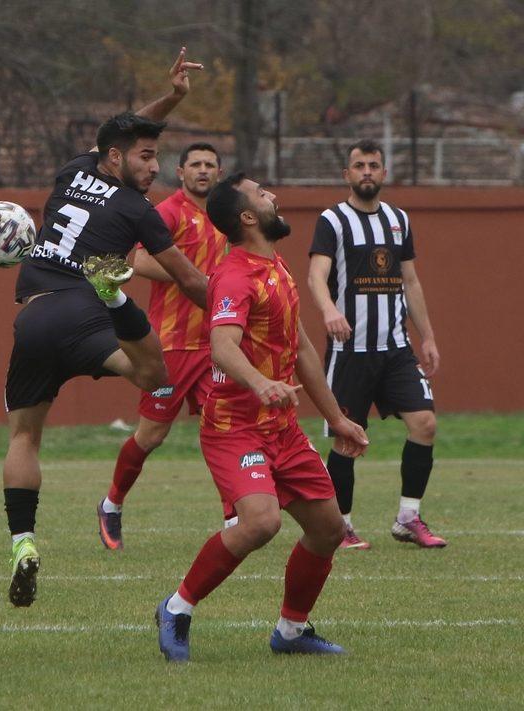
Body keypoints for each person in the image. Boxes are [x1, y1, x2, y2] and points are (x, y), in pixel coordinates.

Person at [3, 49, 210, 607]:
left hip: (35, 316)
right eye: (147, 158)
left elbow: (121, 132)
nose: (155, 166)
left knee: (24, 436)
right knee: (152, 375)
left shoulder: (74, 171)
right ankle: (114, 291)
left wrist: (171, 99)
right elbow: (189, 281)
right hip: (85, 315)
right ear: (117, 160)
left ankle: (22, 541)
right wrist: (237, 305)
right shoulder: (139, 209)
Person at [155, 173, 369, 662]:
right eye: (262, 194)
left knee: (328, 529)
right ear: (248, 217)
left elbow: (301, 348)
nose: (273, 196)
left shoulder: (275, 268)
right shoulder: (234, 276)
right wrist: (261, 383)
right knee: (261, 522)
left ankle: (291, 632)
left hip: (283, 429)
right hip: (235, 426)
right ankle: (176, 608)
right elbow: (222, 345)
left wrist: (335, 418)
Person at [307, 138, 446, 550]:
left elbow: (411, 281)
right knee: (348, 439)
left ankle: (408, 518)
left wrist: (429, 336)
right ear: (346, 174)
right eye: (359, 165)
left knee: (425, 424)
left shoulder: (398, 219)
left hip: (396, 350)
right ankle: (341, 526)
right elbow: (317, 276)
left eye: (373, 165)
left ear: (384, 173)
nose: (366, 171)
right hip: (351, 352)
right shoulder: (332, 220)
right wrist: (330, 310)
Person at [97, 142, 226, 550]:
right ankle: (112, 503)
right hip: (170, 344)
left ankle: (236, 514)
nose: (203, 171)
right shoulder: (168, 212)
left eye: (210, 165)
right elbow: (136, 261)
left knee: (226, 428)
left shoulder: (225, 215)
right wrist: (188, 275)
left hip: (216, 346)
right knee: (151, 436)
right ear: (182, 172)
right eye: (196, 165)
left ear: (218, 173)